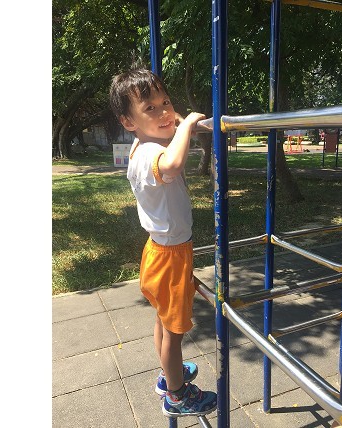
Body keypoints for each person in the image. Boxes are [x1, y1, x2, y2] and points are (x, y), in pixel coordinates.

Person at [109, 68, 217, 418]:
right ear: (129, 122)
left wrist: (179, 123)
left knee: (162, 319)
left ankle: (168, 374)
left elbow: (166, 135)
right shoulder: (152, 155)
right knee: (174, 330)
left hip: (160, 249)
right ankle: (177, 395)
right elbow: (172, 164)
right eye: (150, 108)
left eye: (166, 102)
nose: (164, 112)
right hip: (170, 255)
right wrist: (187, 124)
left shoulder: (142, 145)